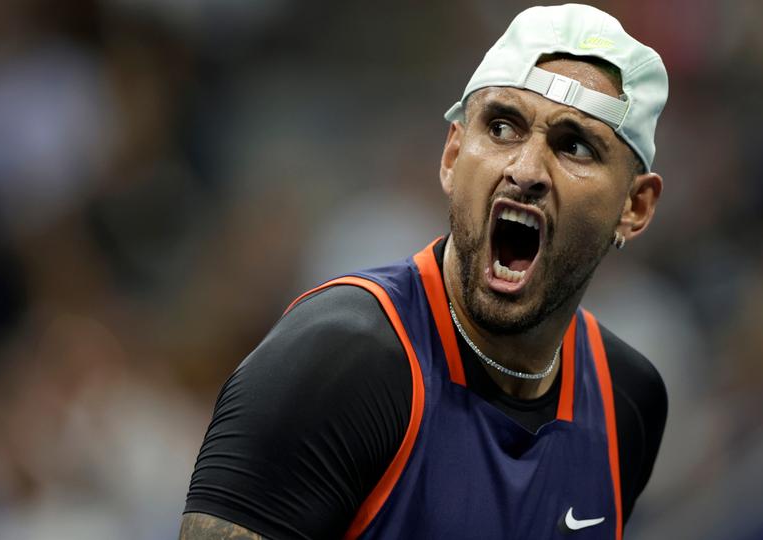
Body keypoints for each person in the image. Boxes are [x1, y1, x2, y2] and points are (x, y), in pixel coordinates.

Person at [181, 4, 668, 539]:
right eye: (502, 127)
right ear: (453, 155)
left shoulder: (628, 400)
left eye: (574, 145)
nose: (525, 171)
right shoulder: (335, 366)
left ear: (635, 206)